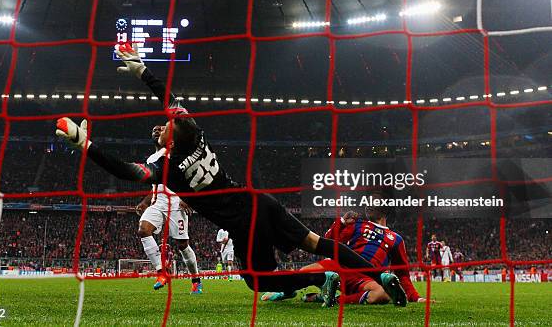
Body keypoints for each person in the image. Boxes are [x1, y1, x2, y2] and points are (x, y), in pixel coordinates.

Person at [55, 43, 406, 307]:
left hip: (244, 224)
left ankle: (322, 276)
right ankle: (382, 275)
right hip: (259, 201)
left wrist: (86, 146)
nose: (161, 127)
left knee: (257, 281)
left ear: (170, 138)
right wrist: (143, 72)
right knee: (315, 243)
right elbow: (171, 98)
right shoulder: (195, 133)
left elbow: (127, 171)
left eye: (163, 128)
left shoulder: (168, 169)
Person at [261, 205, 423, 306]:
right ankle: (285, 292)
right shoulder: (358, 224)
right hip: (339, 267)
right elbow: (329, 241)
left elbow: (402, 274)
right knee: (304, 272)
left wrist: (416, 297)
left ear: (386, 209)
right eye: (368, 202)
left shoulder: (396, 239)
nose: (369, 205)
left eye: (375, 201)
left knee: (383, 294)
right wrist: (342, 222)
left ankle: (331, 298)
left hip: (366, 278)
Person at [135, 125, 202, 294]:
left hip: (176, 204)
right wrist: (144, 202)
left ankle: (196, 280)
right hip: (157, 203)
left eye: (161, 129)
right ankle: (161, 272)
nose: (156, 130)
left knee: (182, 245)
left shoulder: (176, 155)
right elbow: (155, 186)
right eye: (154, 130)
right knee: (143, 230)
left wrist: (187, 197)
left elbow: (191, 177)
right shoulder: (151, 159)